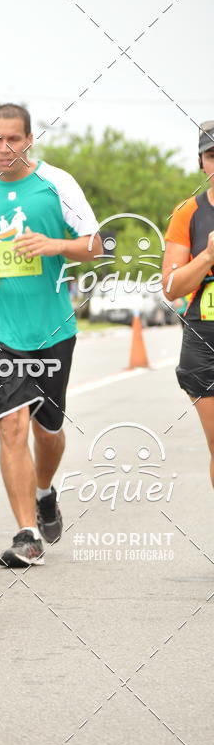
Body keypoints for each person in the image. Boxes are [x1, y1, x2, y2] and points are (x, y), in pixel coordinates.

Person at [0, 104, 102, 568]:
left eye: (13, 138)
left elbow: (96, 244)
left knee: (48, 431)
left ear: (30, 139)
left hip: (51, 330)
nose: (4, 147)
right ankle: (27, 534)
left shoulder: (56, 183)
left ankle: (45, 492)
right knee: (12, 426)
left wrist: (55, 245)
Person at [163, 121, 214, 484]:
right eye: (212, 155)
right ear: (201, 162)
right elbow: (170, 287)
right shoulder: (188, 212)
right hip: (205, 342)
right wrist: (207, 257)